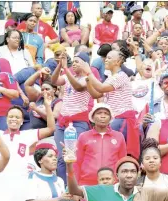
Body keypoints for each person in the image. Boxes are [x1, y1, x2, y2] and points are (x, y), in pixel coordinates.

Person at [64, 143, 168, 201]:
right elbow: (74, 190)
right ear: (116, 175)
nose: (128, 175)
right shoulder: (102, 191)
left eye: (133, 171)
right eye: (124, 171)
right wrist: (70, 166)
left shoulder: (147, 193)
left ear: (138, 174)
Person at [82, 47, 140, 159]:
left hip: (121, 118)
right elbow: (96, 94)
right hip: (115, 118)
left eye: (109, 58)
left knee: (118, 153)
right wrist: (88, 80)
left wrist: (89, 73)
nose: (105, 60)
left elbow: (101, 88)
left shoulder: (121, 76)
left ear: (118, 62)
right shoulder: (111, 77)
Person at [50, 52, 92, 184]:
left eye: (77, 61)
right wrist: (59, 66)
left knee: (72, 156)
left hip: (78, 123)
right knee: (61, 157)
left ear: (85, 64)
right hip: (62, 122)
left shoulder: (88, 78)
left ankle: (73, 187)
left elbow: (78, 87)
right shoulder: (68, 75)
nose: (74, 63)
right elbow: (54, 81)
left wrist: (66, 69)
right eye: (72, 61)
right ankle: (63, 186)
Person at [74, 103, 127, 185]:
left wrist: (121, 183)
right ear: (92, 117)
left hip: (112, 183)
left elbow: (123, 162)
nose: (103, 116)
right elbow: (77, 162)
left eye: (106, 113)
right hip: (87, 183)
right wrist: (76, 185)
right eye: (99, 113)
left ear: (110, 118)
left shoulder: (119, 136)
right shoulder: (83, 136)